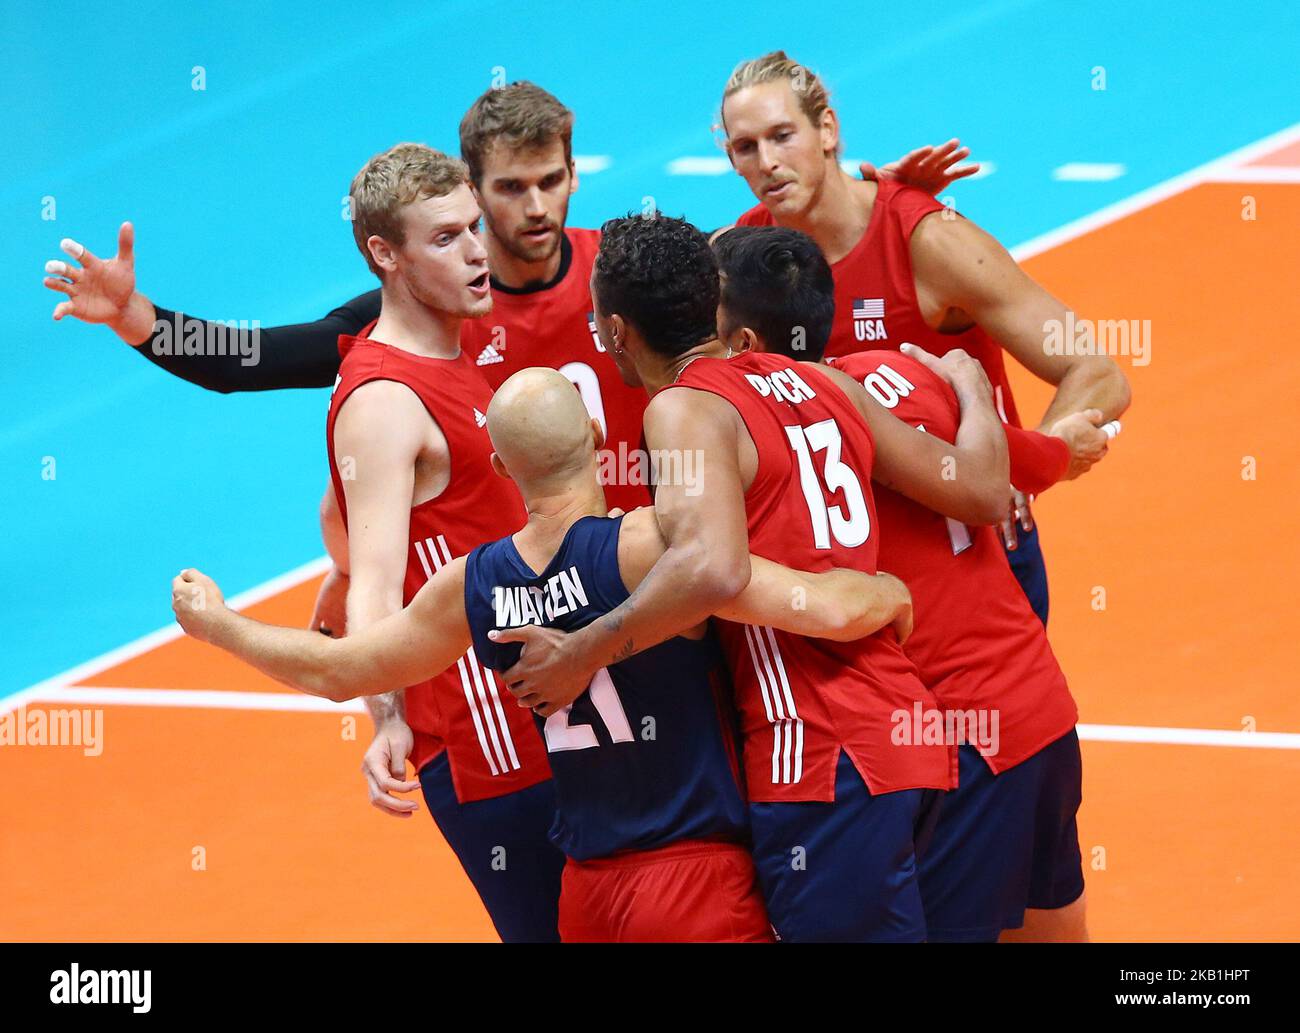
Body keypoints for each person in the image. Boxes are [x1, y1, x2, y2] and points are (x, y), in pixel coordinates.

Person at [170, 366, 915, 942]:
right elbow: (825, 609)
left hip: (586, 894)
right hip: (696, 881)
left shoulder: (473, 583)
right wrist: (889, 591)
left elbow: (339, 669)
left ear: (499, 465)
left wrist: (219, 623)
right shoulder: (648, 546)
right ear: (596, 432)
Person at [494, 213, 1010, 941]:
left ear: (614, 329)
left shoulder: (682, 406)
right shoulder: (820, 382)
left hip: (819, 753)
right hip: (905, 735)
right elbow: (985, 488)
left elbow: (710, 566)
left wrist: (584, 651)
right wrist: (974, 385)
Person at [711, 224, 1096, 941]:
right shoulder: (904, 368)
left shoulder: (781, 425)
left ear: (743, 342)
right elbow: (1021, 462)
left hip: (959, 738)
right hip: (1038, 706)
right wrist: (982, 395)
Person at [717, 50, 1132, 624]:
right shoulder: (747, 257)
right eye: (745, 147)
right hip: (846, 570)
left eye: (783, 136)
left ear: (828, 130)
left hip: (971, 558)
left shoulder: (929, 241)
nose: (767, 162)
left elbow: (1096, 370)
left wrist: (1039, 455)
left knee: (1003, 716)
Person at [323, 141, 558, 941]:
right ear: (384, 255)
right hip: (486, 744)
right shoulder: (386, 401)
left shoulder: (454, 358)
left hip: (543, 714)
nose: (477, 253)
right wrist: (385, 716)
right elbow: (375, 584)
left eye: (473, 229)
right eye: (446, 239)